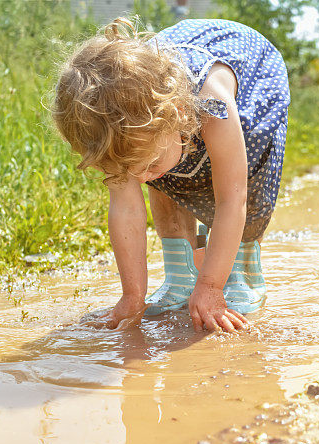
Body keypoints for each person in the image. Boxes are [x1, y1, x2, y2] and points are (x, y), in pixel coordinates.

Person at [50, 17, 290, 333]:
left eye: (147, 165)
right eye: (130, 171)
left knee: (243, 179)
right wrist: (132, 296)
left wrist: (211, 286)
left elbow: (233, 199)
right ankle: (181, 273)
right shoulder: (125, 126)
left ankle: (243, 272)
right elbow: (127, 207)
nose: (141, 177)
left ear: (176, 114)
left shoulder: (212, 100)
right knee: (164, 173)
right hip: (166, 108)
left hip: (252, 75)